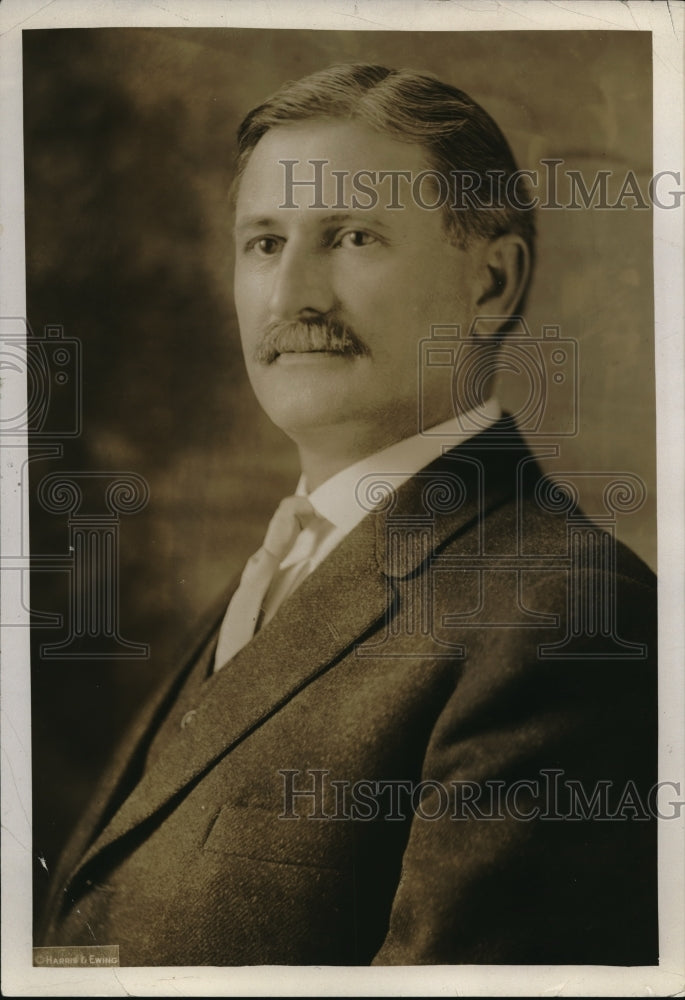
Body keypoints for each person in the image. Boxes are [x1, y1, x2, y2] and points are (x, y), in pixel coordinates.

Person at [39, 64, 657, 967]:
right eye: (263, 243)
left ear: (492, 282)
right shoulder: (288, 567)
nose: (291, 297)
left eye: (352, 236)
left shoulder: (563, 617)